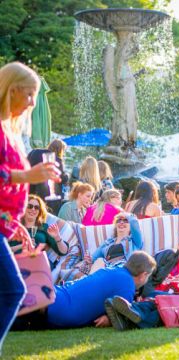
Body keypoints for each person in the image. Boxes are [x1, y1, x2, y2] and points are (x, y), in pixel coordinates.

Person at [0, 62, 61, 352]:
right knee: (12, 291)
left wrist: (16, 224)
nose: (33, 103)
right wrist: (27, 175)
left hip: (3, 226)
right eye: (29, 95)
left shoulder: (8, 132)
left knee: (10, 291)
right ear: (11, 90)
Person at [13, 251, 156, 330]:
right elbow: (124, 313)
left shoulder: (114, 270)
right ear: (144, 274)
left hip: (52, 295)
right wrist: (109, 319)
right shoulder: (127, 285)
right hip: (58, 312)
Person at [14, 195, 68, 269]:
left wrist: (57, 237)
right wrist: (23, 245)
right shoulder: (14, 226)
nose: (33, 209)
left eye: (36, 208)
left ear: (39, 211)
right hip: (16, 264)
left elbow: (63, 251)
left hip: (38, 265)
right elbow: (3, 250)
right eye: (30, 206)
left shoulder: (43, 227)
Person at [27, 139, 69, 214]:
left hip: (29, 190)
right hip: (46, 195)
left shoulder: (34, 152)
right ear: (60, 150)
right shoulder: (56, 159)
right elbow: (61, 177)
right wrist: (66, 177)